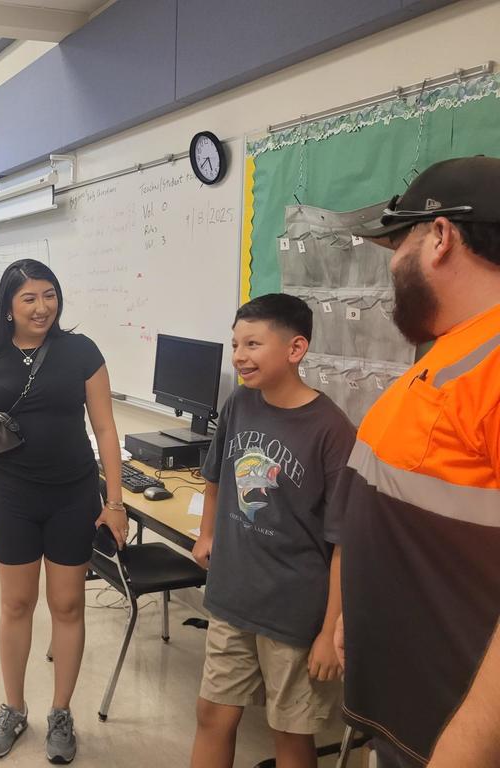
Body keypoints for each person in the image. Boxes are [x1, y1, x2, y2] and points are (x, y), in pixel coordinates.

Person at [334, 156, 500, 767]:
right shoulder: (457, 349)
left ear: (439, 237)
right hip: (412, 716)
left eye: (395, 245)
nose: (390, 266)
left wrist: (464, 750)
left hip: (457, 736)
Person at [0, 258, 128, 764]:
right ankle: (13, 707)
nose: (42, 306)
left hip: (73, 495)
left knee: (68, 605)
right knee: (15, 605)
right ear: (8, 306)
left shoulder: (82, 352)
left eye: (49, 295)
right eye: (28, 298)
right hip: (12, 499)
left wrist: (113, 502)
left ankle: (61, 711)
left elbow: (106, 429)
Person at [189, 293, 356, 768]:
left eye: (253, 344)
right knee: (211, 714)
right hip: (233, 597)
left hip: (294, 614)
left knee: (289, 734)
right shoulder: (241, 402)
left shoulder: (331, 431)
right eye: (236, 344)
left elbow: (345, 540)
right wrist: (207, 534)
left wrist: (329, 632)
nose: (239, 356)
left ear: (295, 349)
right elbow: (215, 472)